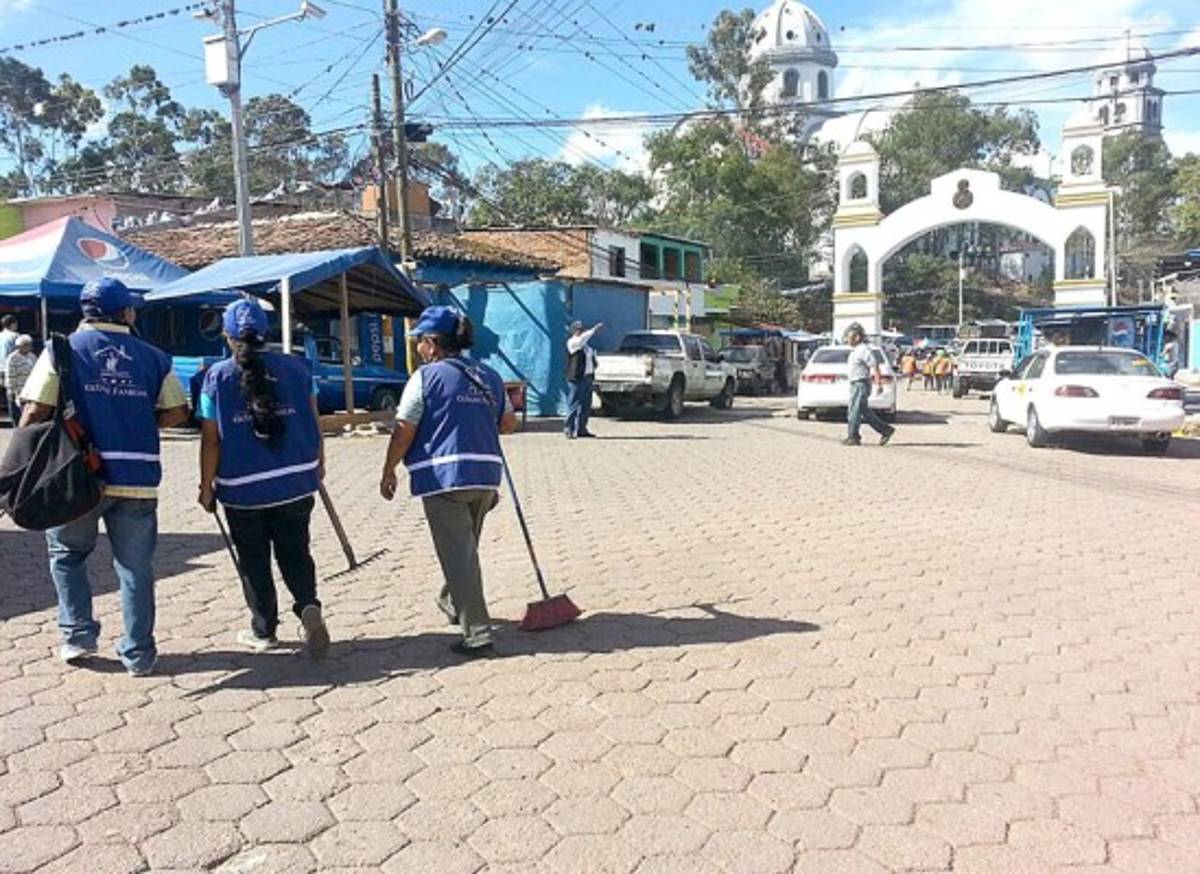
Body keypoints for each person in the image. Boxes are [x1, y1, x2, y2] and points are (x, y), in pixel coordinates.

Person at [18, 277, 189, 676]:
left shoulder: (61, 350)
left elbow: (34, 411)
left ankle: (77, 636)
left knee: (68, 555)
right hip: (137, 475)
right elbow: (178, 412)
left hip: (75, 479)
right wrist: (137, 420)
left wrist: (23, 464)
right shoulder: (153, 357)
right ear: (126, 312)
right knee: (135, 569)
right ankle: (139, 654)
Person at [379, 306, 517, 657]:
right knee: (464, 551)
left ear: (432, 343)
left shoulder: (426, 378)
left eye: (420, 343)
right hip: (485, 477)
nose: (418, 349)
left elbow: (404, 429)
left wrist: (389, 468)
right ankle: (452, 601)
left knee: (459, 554)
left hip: (444, 479)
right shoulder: (489, 375)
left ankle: (478, 634)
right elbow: (507, 424)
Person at [197, 299, 330, 657]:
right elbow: (315, 422)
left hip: (242, 489)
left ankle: (264, 629)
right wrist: (318, 463)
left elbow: (211, 439)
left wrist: (205, 486)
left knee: (253, 561)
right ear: (266, 332)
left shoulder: (216, 377)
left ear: (226, 336)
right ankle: (307, 606)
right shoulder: (299, 369)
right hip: (295, 480)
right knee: (296, 552)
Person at [842, 322, 895, 447]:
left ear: (858, 337)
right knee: (863, 411)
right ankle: (885, 430)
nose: (847, 340)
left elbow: (874, 365)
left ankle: (853, 437)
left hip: (861, 384)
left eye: (849, 337)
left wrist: (879, 383)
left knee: (854, 411)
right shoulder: (855, 351)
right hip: (855, 383)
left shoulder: (864, 350)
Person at [565, 320, 602, 438]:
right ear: (573, 331)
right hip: (577, 378)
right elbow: (581, 340)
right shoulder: (572, 342)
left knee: (586, 405)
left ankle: (581, 429)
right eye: (578, 330)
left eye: (581, 329)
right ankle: (569, 429)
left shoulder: (587, 347)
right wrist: (594, 330)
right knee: (574, 403)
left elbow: (591, 358)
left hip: (587, 377)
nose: (580, 332)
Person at [5, 334, 36, 422]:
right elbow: (10, 376)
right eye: (27, 345)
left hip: (30, 391)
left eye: (30, 344)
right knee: (18, 416)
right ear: (20, 346)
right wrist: (13, 391)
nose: (30, 347)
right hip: (18, 390)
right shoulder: (12, 358)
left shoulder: (32, 356)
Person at [0, 313, 18, 420]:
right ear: (12, 324)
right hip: (10, 369)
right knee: (12, 394)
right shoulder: (15, 336)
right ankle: (14, 418)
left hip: (0, 367)